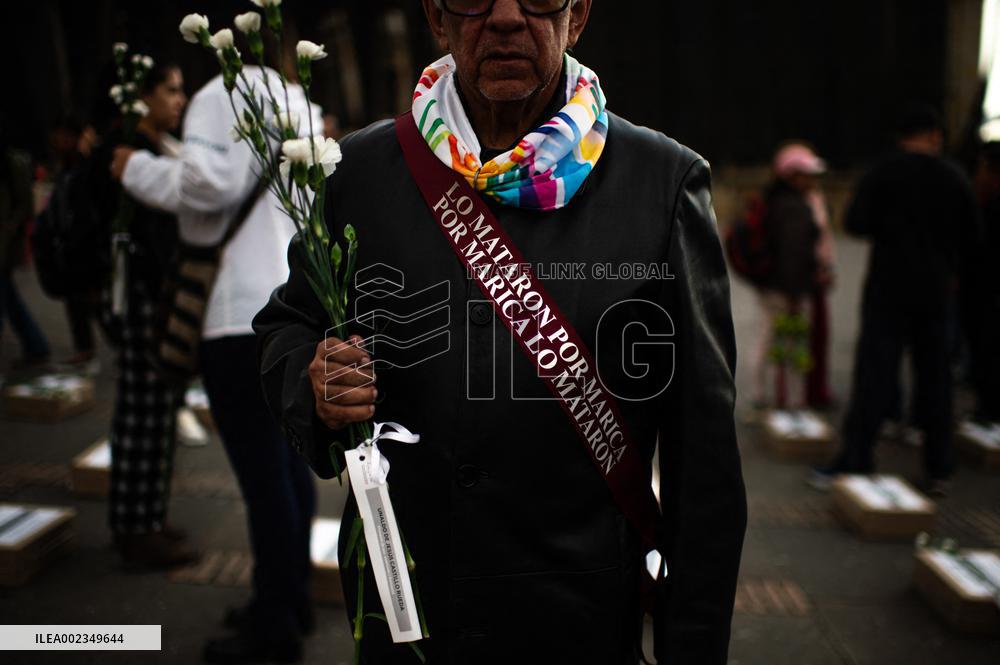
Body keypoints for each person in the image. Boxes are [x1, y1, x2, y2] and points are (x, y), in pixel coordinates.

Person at [255, 1, 746, 663]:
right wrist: (311, 381)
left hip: (578, 623)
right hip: (410, 617)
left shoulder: (660, 183)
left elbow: (704, 462)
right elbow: (287, 324)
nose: (507, 17)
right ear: (437, 17)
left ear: (578, 15)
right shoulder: (361, 172)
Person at [112, 60, 320, 663]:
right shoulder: (289, 93)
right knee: (288, 468)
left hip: (236, 315)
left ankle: (275, 627)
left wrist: (135, 168)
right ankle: (289, 599)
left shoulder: (218, 92)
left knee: (264, 480)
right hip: (289, 303)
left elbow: (208, 183)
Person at [810, 105, 981, 495]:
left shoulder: (883, 172)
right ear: (935, 135)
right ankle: (939, 468)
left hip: (888, 288)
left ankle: (856, 457)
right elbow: (973, 236)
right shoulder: (954, 176)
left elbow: (855, 222)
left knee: (874, 375)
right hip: (936, 291)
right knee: (936, 379)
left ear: (900, 137)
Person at [96, 60, 197, 569]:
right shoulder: (124, 151)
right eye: (171, 90)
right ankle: (135, 529)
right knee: (142, 414)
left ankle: (147, 518)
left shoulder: (157, 148)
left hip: (157, 298)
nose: (180, 100)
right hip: (140, 299)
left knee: (157, 413)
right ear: (144, 95)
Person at [751, 142, 830, 410]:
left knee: (768, 340)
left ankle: (761, 396)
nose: (813, 180)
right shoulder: (795, 207)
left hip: (772, 287)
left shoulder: (774, 201)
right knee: (792, 346)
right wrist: (795, 295)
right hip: (789, 291)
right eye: (807, 174)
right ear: (793, 176)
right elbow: (793, 254)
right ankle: (791, 402)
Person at [0, 114, 50, 372]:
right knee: (9, 296)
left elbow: (23, 206)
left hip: (6, 242)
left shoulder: (14, 162)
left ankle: (37, 346)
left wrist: (11, 228)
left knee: (6, 296)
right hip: (7, 239)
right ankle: (36, 345)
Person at [964, 141, 1000, 423]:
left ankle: (989, 410)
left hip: (986, 292)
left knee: (988, 352)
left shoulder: (987, 205)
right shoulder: (983, 202)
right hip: (981, 290)